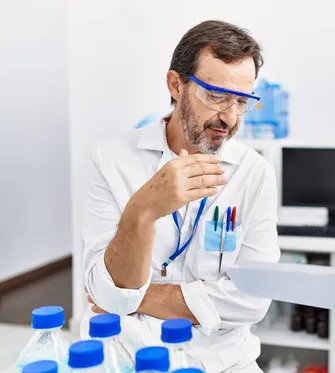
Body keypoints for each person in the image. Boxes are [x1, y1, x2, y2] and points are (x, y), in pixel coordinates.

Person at [81, 20, 280, 373]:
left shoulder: (254, 173)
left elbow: (252, 299)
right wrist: (142, 211)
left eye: (242, 101)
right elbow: (106, 292)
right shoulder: (109, 160)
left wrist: (136, 298)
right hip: (127, 353)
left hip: (224, 359)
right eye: (216, 96)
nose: (230, 118)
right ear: (176, 85)